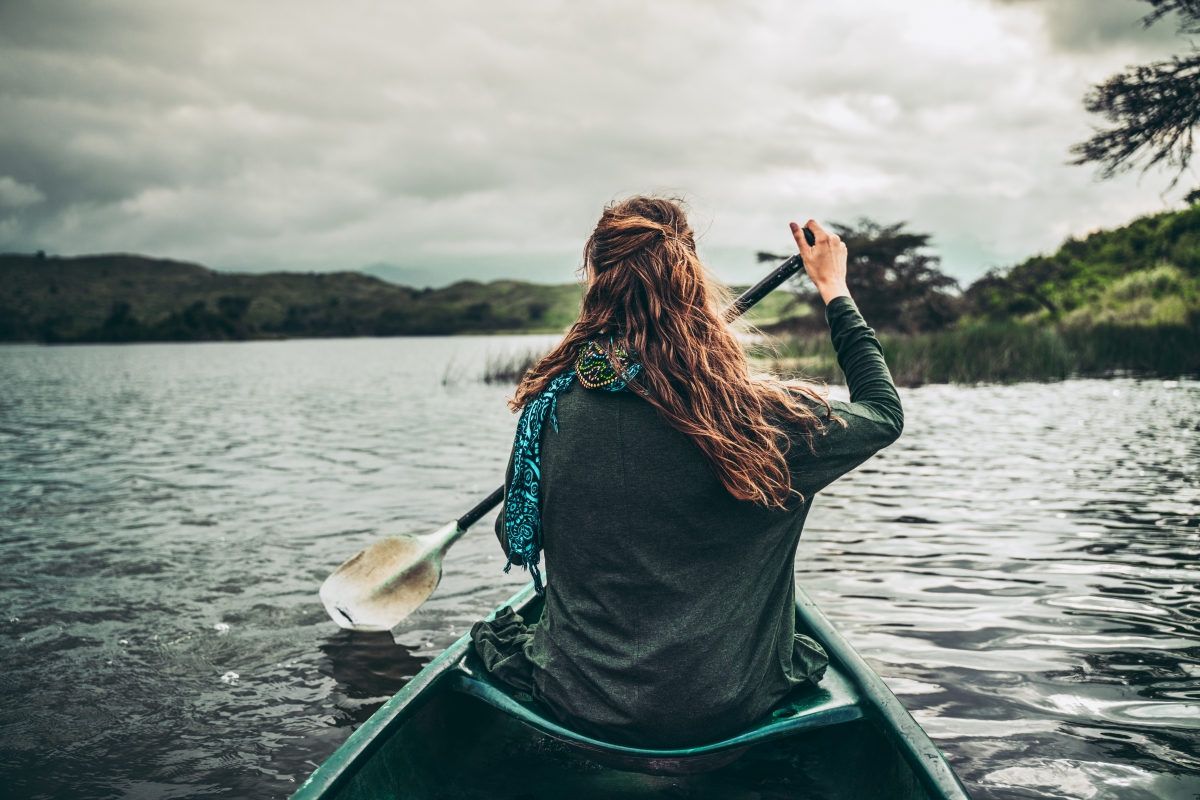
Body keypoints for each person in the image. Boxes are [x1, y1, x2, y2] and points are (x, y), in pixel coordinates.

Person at [471, 196, 903, 750]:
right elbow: (883, 413)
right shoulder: (753, 418)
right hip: (731, 703)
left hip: (579, 701)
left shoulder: (547, 408)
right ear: (690, 278)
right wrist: (835, 291)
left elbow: (515, 534)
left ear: (596, 280)